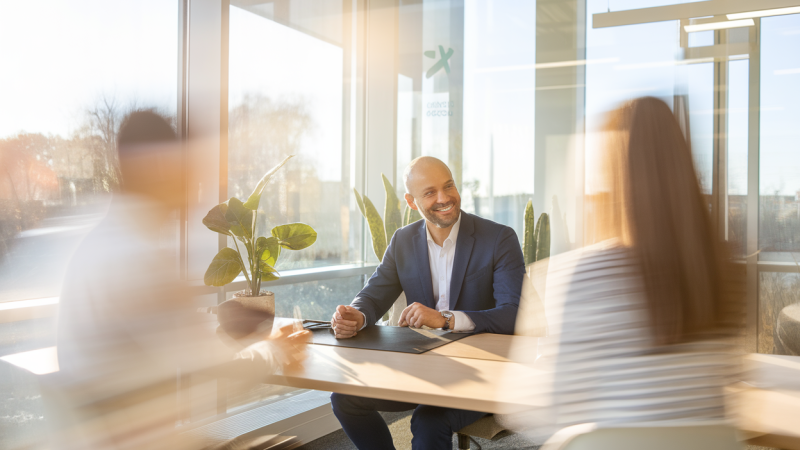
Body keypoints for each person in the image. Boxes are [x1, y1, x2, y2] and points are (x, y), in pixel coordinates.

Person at [52, 111, 309, 450]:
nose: (193, 187)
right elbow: (213, 367)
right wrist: (276, 350)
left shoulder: (96, 244)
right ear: (159, 167)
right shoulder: (136, 257)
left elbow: (166, 341)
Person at [502, 96, 743, 444]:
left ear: (614, 180)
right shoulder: (723, 271)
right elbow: (727, 383)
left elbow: (537, 412)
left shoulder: (580, 274)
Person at [329, 156, 526, 449]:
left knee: (429, 420)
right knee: (345, 398)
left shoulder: (498, 238)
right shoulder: (402, 241)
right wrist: (357, 315)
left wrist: (445, 319)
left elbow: (513, 316)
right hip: (420, 369)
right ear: (411, 202)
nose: (444, 198)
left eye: (449, 186)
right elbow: (373, 294)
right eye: (430, 192)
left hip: (481, 374)